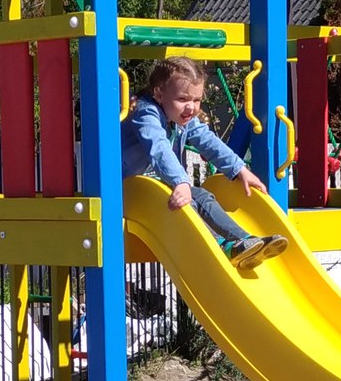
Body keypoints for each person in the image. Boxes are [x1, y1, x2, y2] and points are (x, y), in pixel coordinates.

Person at [123, 56, 288, 271]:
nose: (191, 107)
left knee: (202, 195)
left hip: (157, 190)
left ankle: (244, 239)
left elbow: (208, 142)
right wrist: (181, 181)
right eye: (183, 99)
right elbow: (159, 148)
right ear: (159, 94)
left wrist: (239, 169)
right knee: (187, 202)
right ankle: (219, 245)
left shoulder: (182, 118)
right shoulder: (145, 113)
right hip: (130, 194)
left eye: (196, 100)